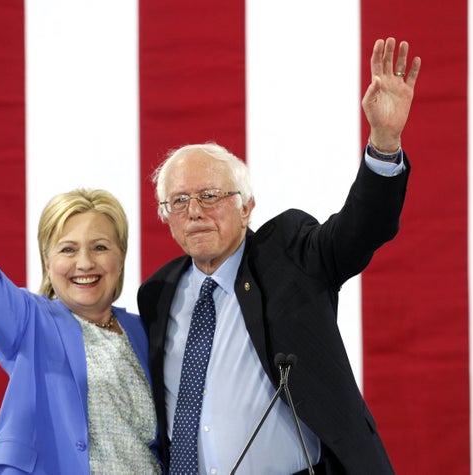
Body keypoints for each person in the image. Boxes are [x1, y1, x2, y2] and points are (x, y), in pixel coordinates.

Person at [137, 37, 421, 474]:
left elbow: (360, 231)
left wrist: (384, 143)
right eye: (178, 201)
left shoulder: (289, 254)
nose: (194, 212)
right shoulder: (157, 293)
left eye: (210, 196)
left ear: (247, 205)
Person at [0, 83, 162, 474]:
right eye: (67, 249)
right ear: (47, 262)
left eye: (100, 247)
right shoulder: (29, 322)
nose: (85, 262)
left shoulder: (147, 332)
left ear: (121, 255)